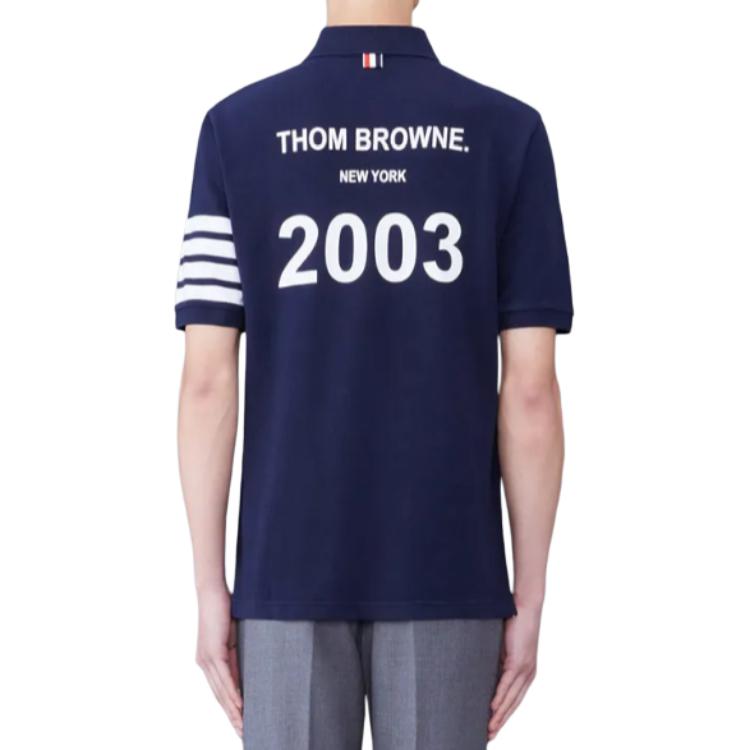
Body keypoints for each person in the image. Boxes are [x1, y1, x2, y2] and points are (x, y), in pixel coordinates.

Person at [176, 0, 573, 747]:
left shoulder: (236, 130)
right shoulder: (506, 131)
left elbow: (206, 380)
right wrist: (529, 594)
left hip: (285, 566)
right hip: (448, 564)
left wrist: (208, 586)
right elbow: (530, 390)